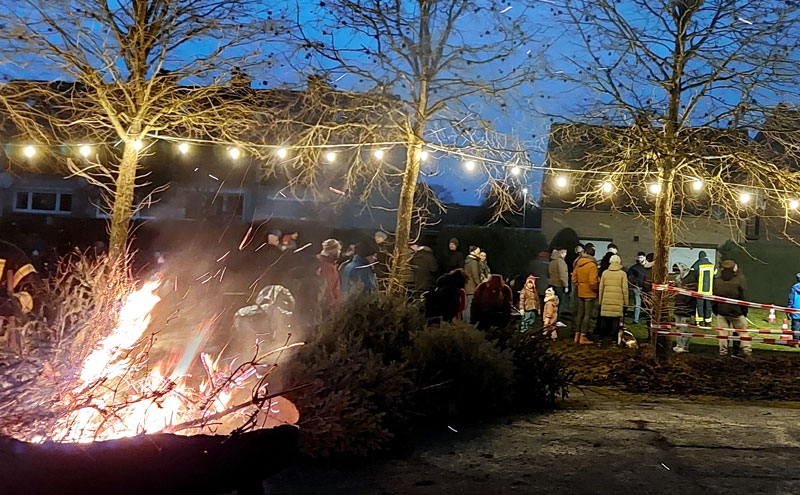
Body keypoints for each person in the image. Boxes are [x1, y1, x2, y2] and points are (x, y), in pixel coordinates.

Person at [712, 259, 750, 358]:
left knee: (723, 334)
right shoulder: (739, 280)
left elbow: (714, 297)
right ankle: (746, 351)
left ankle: (723, 352)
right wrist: (744, 310)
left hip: (721, 311)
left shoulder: (717, 281)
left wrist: (715, 309)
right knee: (742, 332)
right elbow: (743, 296)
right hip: (736, 311)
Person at [598, 254, 628, 342]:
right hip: (617, 301)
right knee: (615, 321)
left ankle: (600, 339)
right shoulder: (622, 274)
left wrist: (600, 301)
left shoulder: (605, 273)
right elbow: (625, 290)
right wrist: (626, 303)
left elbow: (601, 288)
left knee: (604, 320)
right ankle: (614, 340)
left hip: (606, 300)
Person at [572, 245, 599, 344]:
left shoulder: (578, 263)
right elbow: (593, 282)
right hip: (589, 292)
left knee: (579, 314)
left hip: (580, 290)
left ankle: (576, 335)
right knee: (587, 315)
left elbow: (574, 278)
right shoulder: (592, 265)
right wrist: (596, 289)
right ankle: (583, 336)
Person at [673, 263, 696, 353]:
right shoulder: (679, 279)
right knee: (678, 327)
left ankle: (684, 346)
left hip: (686, 307)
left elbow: (690, 294)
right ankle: (679, 344)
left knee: (685, 328)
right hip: (678, 306)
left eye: (677, 271)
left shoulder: (690, 279)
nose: (676, 273)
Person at [317, 239, 342, 310]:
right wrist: (333, 305)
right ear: (333, 250)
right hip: (327, 306)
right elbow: (327, 287)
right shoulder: (327, 266)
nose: (339, 252)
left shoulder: (328, 263)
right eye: (338, 249)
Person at [692, 251, 715, 325]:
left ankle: (699, 320)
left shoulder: (697, 264)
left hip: (700, 289)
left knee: (699, 306)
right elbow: (716, 275)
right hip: (709, 290)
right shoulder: (712, 265)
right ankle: (708, 321)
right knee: (708, 306)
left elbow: (692, 275)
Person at [548, 248, 569, 326]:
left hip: (552, 284)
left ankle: (550, 318)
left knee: (552, 303)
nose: (566, 254)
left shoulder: (552, 261)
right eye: (565, 252)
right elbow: (563, 274)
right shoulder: (560, 261)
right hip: (559, 285)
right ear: (562, 252)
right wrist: (566, 285)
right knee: (559, 303)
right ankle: (557, 319)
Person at [627, 252, 647, 324]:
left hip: (646, 287)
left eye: (641, 257)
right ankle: (636, 319)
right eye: (639, 258)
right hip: (638, 287)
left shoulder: (635, 268)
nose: (640, 259)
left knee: (641, 304)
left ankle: (640, 318)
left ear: (644, 257)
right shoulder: (634, 268)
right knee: (638, 304)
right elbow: (630, 277)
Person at [464, 246, 482, 322]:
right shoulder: (474, 262)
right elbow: (475, 275)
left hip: (466, 285)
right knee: (470, 305)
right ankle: (468, 322)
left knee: (465, 305)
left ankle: (463, 321)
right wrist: (479, 285)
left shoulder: (467, 261)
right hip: (472, 287)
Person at [787, 273, 800, 343]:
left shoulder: (794, 288)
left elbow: (791, 300)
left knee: (796, 328)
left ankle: (795, 342)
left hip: (795, 310)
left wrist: (788, 310)